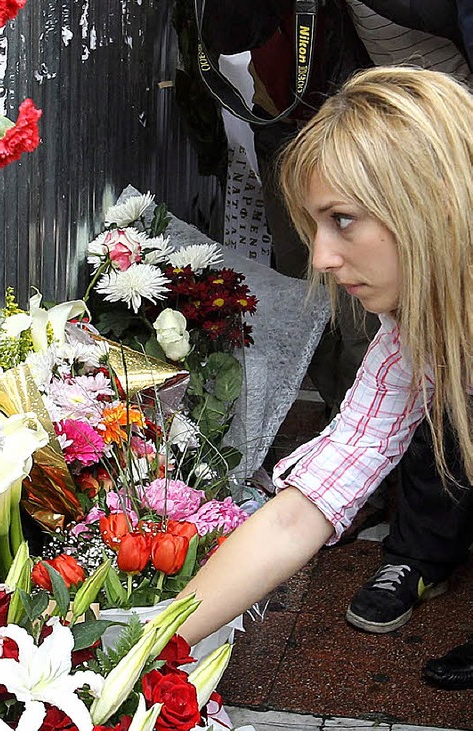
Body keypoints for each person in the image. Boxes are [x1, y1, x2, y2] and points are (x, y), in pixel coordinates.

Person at [178, 66, 473, 689]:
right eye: (315, 224)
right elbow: (304, 508)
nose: (321, 257)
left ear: (428, 203)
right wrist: (148, 647)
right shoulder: (416, 332)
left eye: (342, 219)